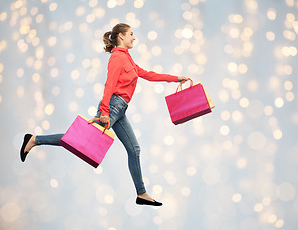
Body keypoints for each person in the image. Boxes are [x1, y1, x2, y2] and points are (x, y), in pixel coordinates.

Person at [20, 23, 188, 206]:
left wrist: (175, 79)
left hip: (121, 110)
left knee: (134, 149)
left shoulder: (128, 58)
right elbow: (109, 85)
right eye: (131, 34)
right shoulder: (117, 58)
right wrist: (105, 111)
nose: (134, 37)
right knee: (79, 140)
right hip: (112, 107)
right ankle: (35, 139)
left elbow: (148, 74)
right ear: (121, 36)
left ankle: (141, 194)